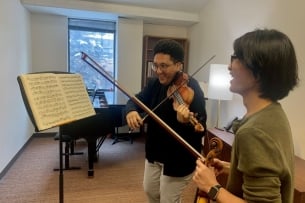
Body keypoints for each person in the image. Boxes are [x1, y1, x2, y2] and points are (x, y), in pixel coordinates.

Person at [193, 28, 299, 203]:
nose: (229, 66)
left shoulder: (254, 132)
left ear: (257, 72)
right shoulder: (274, 112)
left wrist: (212, 188)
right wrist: (232, 168)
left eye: (236, 59)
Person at [125, 39, 207, 203]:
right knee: (150, 191)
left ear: (178, 65)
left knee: (168, 199)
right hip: (155, 151)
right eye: (156, 65)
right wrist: (131, 111)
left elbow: (201, 128)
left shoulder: (192, 88)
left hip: (178, 158)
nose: (158, 71)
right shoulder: (154, 84)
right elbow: (135, 100)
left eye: (164, 66)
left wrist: (183, 122)